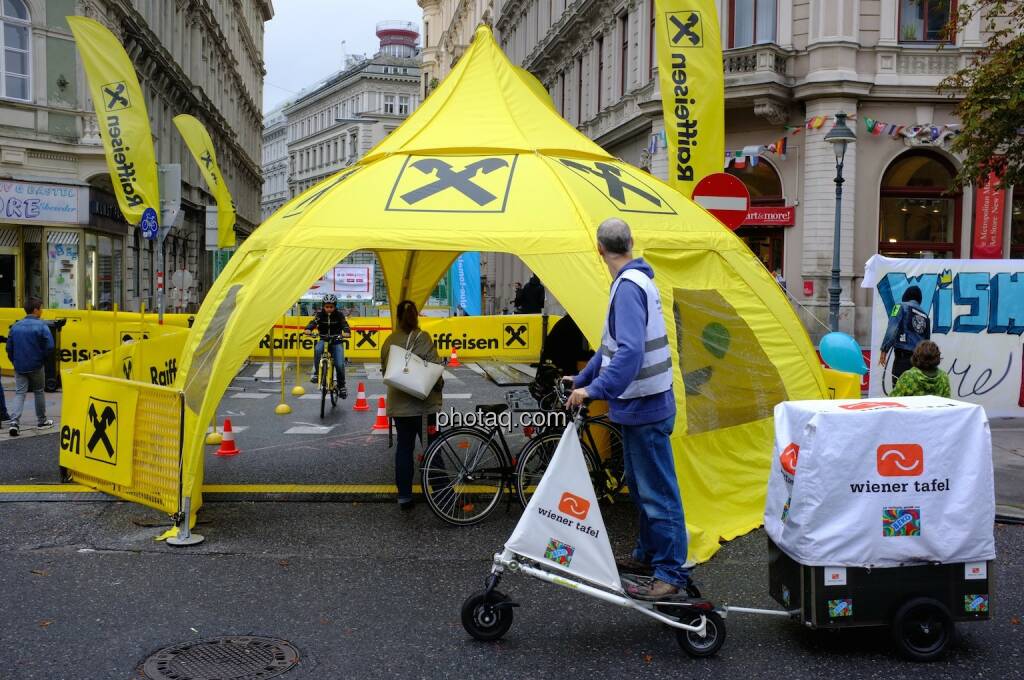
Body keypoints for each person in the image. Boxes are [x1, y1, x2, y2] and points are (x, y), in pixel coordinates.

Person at [566, 217, 689, 600]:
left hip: (645, 406)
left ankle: (670, 572)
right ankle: (647, 556)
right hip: (644, 404)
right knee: (642, 488)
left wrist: (595, 390)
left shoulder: (628, 288)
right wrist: (583, 379)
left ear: (599, 249)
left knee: (658, 493)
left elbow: (631, 352)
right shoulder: (635, 281)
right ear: (631, 242)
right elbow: (610, 347)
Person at [381, 300, 444, 510]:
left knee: (404, 448)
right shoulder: (423, 337)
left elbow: (385, 371)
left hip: (400, 406)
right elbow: (435, 369)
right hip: (424, 405)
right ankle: (443, 496)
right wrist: (439, 388)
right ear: (416, 317)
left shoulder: (390, 340)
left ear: (398, 317)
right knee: (433, 447)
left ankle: (404, 497)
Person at [6, 297, 54, 436]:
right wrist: (42, 358)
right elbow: (50, 346)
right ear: (35, 310)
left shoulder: (16, 326)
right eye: (41, 308)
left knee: (19, 393)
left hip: (19, 366)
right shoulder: (42, 326)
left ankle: (14, 422)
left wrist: (15, 361)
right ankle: (42, 420)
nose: (42, 311)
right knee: (39, 391)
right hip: (37, 365)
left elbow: (9, 348)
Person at [879, 285, 931, 381]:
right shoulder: (925, 316)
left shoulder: (899, 306)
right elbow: (927, 342)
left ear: (906, 295)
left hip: (903, 359)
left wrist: (884, 349)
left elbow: (892, 328)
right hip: (919, 363)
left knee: (900, 388)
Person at [304, 294, 351, 398]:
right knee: (317, 349)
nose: (329, 309)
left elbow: (344, 324)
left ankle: (341, 386)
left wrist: (346, 332)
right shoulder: (320, 315)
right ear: (323, 306)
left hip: (336, 341)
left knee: (339, 364)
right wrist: (308, 329)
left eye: (331, 307)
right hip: (323, 339)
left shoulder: (339, 315)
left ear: (335, 306)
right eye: (327, 307)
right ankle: (317, 374)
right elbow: (313, 322)